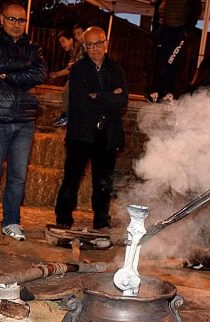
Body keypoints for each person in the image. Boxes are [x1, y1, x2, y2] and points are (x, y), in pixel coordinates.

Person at [0, 1, 47, 242]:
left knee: (18, 176)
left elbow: (41, 73)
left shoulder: (34, 47)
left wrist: (10, 73)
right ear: (2, 19)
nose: (17, 24)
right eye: (13, 19)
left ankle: (11, 221)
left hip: (24, 121)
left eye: (22, 20)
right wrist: (25, 68)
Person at [54, 26, 128, 231]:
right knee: (72, 177)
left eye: (99, 43)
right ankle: (63, 218)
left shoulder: (116, 69)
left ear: (106, 44)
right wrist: (109, 95)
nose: (95, 48)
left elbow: (122, 100)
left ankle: (101, 221)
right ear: (84, 47)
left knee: (103, 181)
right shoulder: (78, 70)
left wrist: (99, 95)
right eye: (90, 44)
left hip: (107, 133)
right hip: (81, 133)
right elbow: (80, 101)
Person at [146, 0, 202, 103]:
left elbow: (197, 9)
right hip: (163, 28)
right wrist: (155, 29)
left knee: (172, 61)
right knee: (159, 61)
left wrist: (187, 30)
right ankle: (157, 91)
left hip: (179, 30)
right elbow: (158, 6)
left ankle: (169, 92)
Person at [50, 28, 86, 128]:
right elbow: (70, 68)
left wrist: (72, 66)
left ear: (70, 40)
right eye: (76, 34)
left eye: (63, 41)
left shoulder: (82, 47)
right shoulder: (76, 49)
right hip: (76, 77)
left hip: (81, 79)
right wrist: (57, 74)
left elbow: (78, 65)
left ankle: (66, 116)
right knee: (67, 94)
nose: (62, 45)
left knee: (67, 93)